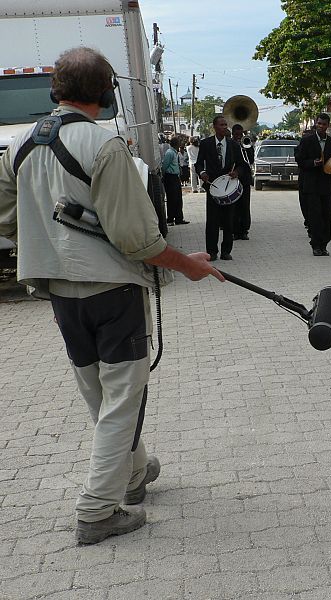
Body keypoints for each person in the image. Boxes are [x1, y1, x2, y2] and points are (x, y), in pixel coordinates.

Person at [0, 47, 223, 545]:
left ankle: (135, 472)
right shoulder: (105, 148)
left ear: (55, 91)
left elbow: (5, 216)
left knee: (100, 394)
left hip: (59, 294)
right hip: (112, 292)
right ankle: (97, 510)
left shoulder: (17, 146)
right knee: (122, 399)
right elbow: (139, 241)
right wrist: (191, 266)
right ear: (106, 92)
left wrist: (46, 242)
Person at [195, 115, 247, 261]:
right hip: (212, 186)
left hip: (228, 187)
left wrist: (236, 173)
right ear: (215, 127)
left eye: (226, 125)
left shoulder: (233, 145)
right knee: (212, 221)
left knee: (229, 220)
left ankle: (226, 251)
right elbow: (198, 164)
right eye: (222, 125)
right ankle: (211, 252)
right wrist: (202, 173)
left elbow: (242, 165)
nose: (225, 127)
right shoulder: (205, 144)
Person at [295, 113, 331, 256]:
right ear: (316, 124)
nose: (321, 126)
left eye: (324, 124)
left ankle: (324, 244)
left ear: (328, 125)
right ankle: (315, 245)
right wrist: (313, 163)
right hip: (311, 184)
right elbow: (300, 160)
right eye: (319, 124)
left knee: (326, 215)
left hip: (326, 184)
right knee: (315, 216)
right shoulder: (307, 141)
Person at [230, 124, 254, 241]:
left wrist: (247, 147)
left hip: (245, 179)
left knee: (245, 205)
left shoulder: (246, 144)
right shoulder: (229, 144)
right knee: (234, 206)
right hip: (233, 179)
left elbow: (251, 160)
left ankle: (244, 230)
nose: (239, 137)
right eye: (237, 134)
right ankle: (235, 231)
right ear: (233, 134)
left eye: (241, 134)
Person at [161, 137, 188, 226]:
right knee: (172, 198)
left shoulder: (174, 152)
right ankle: (170, 219)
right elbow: (165, 165)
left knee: (178, 198)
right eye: (179, 142)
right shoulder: (169, 153)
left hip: (175, 177)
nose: (180, 144)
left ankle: (179, 218)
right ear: (176, 144)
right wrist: (164, 176)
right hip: (170, 177)